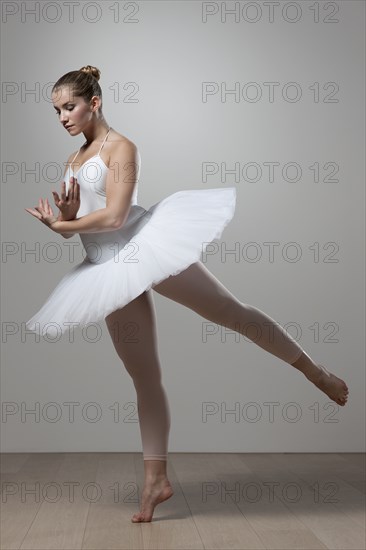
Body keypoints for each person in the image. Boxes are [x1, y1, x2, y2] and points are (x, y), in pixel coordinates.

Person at [25, 65, 349, 523]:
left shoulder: (122, 147)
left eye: (69, 107)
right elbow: (80, 227)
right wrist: (63, 220)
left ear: (94, 102)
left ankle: (315, 372)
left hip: (142, 246)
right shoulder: (74, 160)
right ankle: (156, 479)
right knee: (144, 376)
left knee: (232, 313)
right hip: (106, 269)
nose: (62, 117)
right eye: (56, 110)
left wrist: (66, 223)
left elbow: (116, 218)